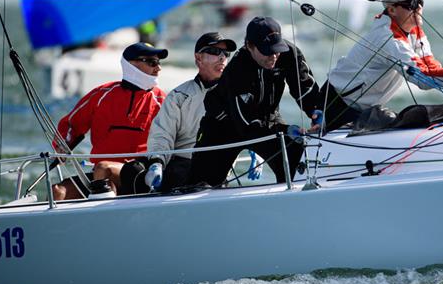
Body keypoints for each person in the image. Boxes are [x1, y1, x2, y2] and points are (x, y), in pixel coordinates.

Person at [186, 16, 323, 188]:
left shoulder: (289, 53)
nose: (273, 56)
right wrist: (286, 129)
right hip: (224, 125)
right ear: (250, 46)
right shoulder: (237, 69)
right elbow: (246, 124)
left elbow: (305, 89)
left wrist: (316, 111)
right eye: (267, 51)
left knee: (295, 155)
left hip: (268, 117)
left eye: (277, 49)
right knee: (199, 184)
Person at [322, 0, 443, 131]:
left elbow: (430, 68)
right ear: (392, 10)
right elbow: (422, 78)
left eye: (420, 1)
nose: (418, 8)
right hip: (337, 106)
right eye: (411, 4)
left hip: (362, 107)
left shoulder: (414, 31)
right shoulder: (388, 39)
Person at [51, 42, 167, 200]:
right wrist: (61, 146)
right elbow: (71, 124)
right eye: (152, 63)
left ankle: (103, 217)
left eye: (159, 63)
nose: (158, 68)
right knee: (58, 192)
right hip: (99, 174)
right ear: (132, 65)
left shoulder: (162, 100)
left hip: (139, 172)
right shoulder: (101, 95)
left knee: (104, 169)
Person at [144, 32, 237, 192]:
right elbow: (163, 133)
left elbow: (249, 127)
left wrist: (254, 153)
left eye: (225, 53)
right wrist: (157, 162)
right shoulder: (179, 95)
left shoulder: (236, 95)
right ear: (198, 58)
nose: (222, 58)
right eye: (215, 52)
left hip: (219, 169)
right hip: (181, 168)